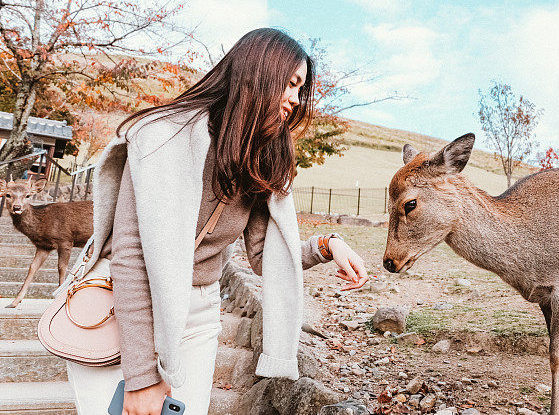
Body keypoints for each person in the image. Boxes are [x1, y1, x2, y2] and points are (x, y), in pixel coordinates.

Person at [63, 28, 368, 415]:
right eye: (289, 84)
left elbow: (264, 256)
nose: (294, 99)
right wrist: (141, 377)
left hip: (198, 311)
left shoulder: (260, 160)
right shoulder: (162, 135)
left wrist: (329, 246)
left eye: (300, 89)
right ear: (257, 74)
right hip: (123, 304)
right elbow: (131, 255)